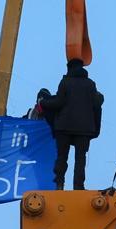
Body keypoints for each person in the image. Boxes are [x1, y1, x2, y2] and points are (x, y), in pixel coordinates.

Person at [41, 58, 104, 190]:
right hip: (84, 129)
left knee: (62, 157)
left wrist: (43, 103)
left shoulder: (65, 82)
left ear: (69, 68)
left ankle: (59, 184)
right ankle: (79, 186)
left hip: (63, 127)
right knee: (80, 159)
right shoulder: (90, 84)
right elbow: (97, 102)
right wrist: (100, 96)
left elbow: (58, 102)